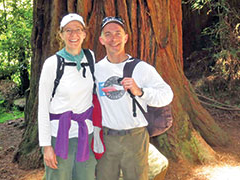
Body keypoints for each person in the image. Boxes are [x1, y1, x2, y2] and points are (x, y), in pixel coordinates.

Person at [95, 16, 174, 180]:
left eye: (118, 33)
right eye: (108, 34)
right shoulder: (96, 71)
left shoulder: (141, 68)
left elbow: (167, 95)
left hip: (135, 138)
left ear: (125, 38)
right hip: (107, 139)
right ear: (101, 40)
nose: (113, 39)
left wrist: (141, 92)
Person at [38, 13, 97, 180]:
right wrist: (46, 146)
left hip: (86, 133)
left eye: (78, 30)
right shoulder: (52, 64)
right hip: (59, 136)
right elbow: (43, 106)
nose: (74, 35)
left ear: (84, 33)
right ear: (61, 34)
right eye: (68, 30)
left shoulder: (90, 57)